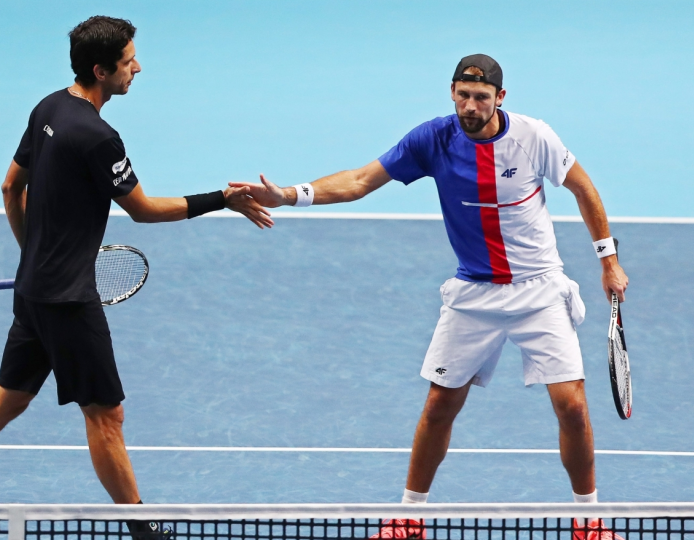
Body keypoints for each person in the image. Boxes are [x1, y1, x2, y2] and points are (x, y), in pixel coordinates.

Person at [0, 16, 271, 540]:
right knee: (105, 416)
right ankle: (145, 532)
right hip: (67, 301)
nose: (138, 67)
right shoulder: (99, 137)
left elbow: (9, 188)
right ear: (101, 69)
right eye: (129, 60)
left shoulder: (49, 107)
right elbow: (143, 210)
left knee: (7, 398)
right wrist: (220, 200)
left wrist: (32, 257)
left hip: (35, 290)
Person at [231, 54, 629, 540]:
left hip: (539, 289)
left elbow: (583, 189)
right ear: (452, 93)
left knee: (571, 406)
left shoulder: (534, 137)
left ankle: (588, 520)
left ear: (500, 98)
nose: (470, 105)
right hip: (473, 293)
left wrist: (607, 260)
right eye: (462, 95)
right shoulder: (432, 139)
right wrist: (289, 195)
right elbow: (360, 181)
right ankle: (407, 515)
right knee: (440, 405)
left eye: (481, 97)